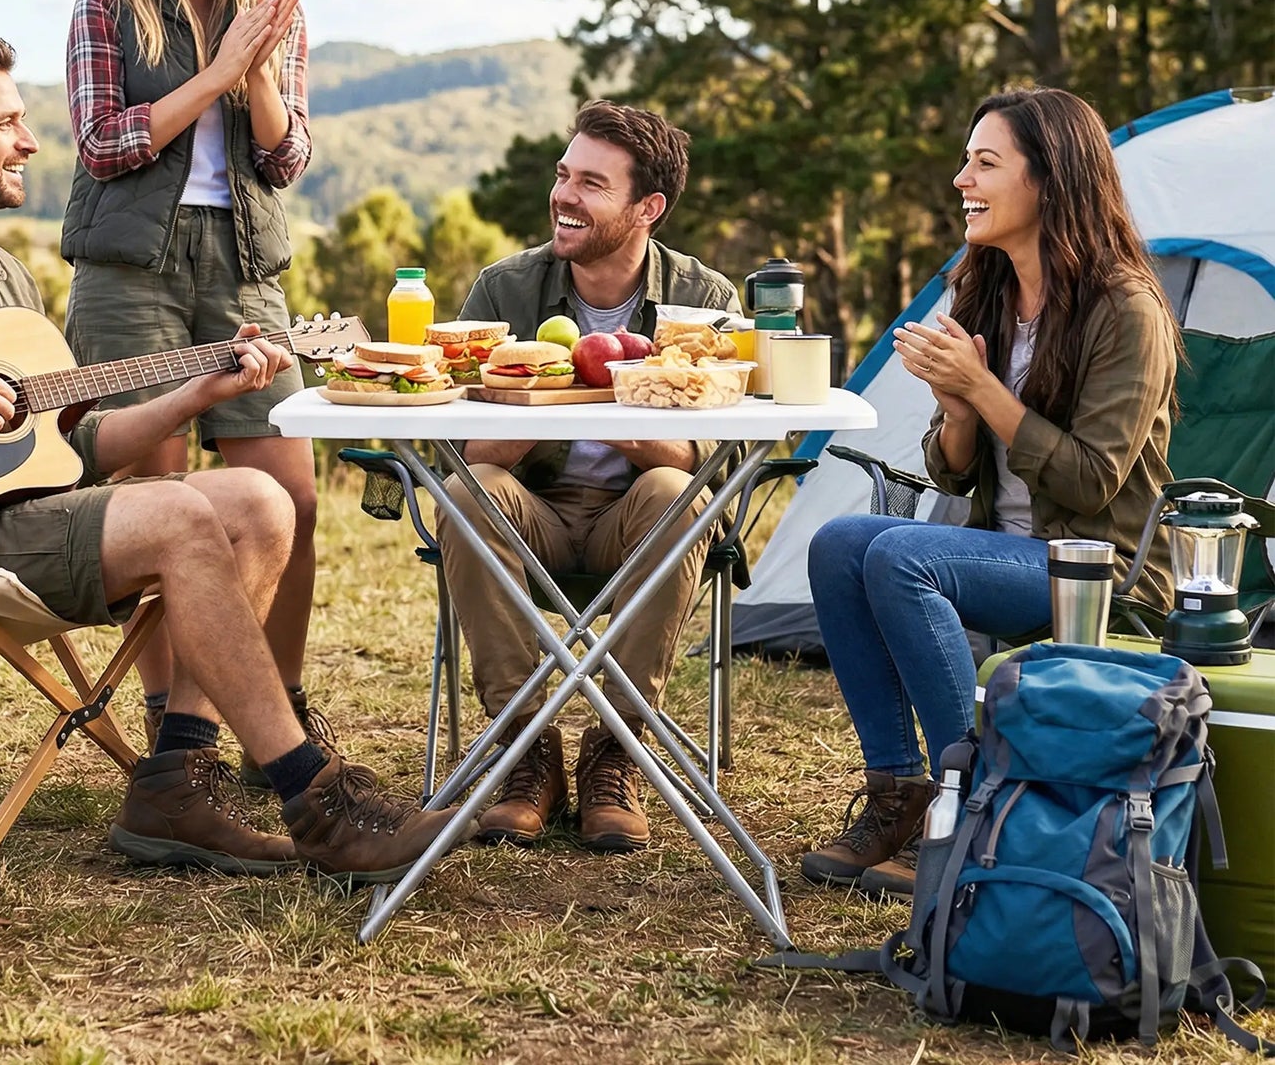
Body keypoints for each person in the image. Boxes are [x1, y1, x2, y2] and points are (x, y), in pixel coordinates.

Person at [0, 36, 463, 884]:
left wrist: (197, 390)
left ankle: (177, 779)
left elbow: (71, 451)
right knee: (179, 515)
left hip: (1, 527)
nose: (30, 141)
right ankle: (317, 798)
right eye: (8, 121)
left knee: (261, 501)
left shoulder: (11, 284)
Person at [800, 87, 1178, 898]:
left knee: (903, 555)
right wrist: (957, 410)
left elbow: (1089, 477)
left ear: (1049, 180)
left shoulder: (1127, 309)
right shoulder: (991, 291)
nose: (959, 178)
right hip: (1001, 552)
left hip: (1095, 570)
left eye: (984, 162)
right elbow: (951, 469)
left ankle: (969, 802)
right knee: (837, 542)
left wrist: (983, 387)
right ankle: (899, 789)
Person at [61, 0, 319, 776]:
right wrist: (211, 74)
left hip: (244, 265)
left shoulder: (274, 11)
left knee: (292, 495)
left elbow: (284, 157)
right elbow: (101, 140)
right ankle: (179, 734)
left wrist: (254, 73)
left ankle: (279, 710)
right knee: (159, 500)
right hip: (131, 267)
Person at [437, 101, 742, 853]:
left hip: (630, 522)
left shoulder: (707, 304)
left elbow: (725, 461)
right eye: (563, 174)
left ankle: (615, 750)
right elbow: (453, 441)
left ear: (648, 208)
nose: (564, 195)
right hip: (530, 515)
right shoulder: (502, 293)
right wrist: (525, 409)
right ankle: (525, 748)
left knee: (677, 493)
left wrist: (637, 431)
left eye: (591, 183)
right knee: (466, 491)